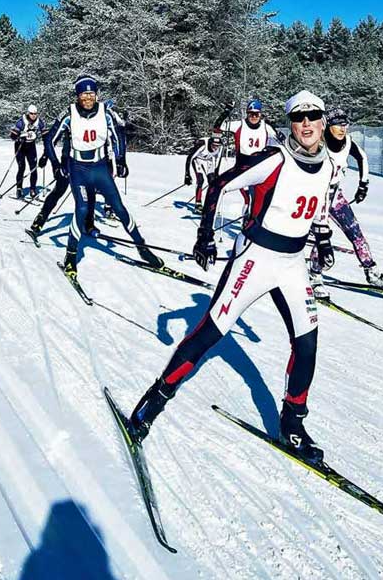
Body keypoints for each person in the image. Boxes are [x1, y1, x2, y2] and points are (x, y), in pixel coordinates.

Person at [125, 90, 335, 464]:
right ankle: (153, 402)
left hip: (292, 264)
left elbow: (318, 208)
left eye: (313, 117)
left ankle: (293, 422)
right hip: (255, 259)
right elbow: (220, 183)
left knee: (307, 344)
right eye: (299, 118)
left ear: (322, 121)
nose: (306, 125)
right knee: (209, 333)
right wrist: (204, 235)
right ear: (290, 123)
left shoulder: (329, 164)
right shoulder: (275, 158)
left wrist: (322, 240)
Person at [44, 74, 162, 277]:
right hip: (78, 168)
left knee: (119, 208)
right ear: (77, 96)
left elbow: (118, 137)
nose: (88, 98)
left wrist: (122, 159)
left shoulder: (105, 113)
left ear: (97, 94)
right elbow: (49, 140)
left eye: (91, 93)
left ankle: (142, 248)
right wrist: (55, 164)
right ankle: (71, 255)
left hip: (99, 168)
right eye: (84, 94)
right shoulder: (69, 114)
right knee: (81, 209)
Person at [309, 108, 383, 298]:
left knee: (355, 232)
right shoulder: (318, 143)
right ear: (327, 125)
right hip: (317, 196)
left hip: (335, 194)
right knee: (322, 236)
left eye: (345, 124)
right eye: (337, 124)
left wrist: (363, 185)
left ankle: (372, 272)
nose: (342, 128)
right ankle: (315, 276)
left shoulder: (347, 142)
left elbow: (362, 157)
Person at [29, 100, 127, 237]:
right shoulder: (71, 114)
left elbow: (118, 131)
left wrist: (120, 159)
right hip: (69, 160)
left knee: (90, 192)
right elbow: (52, 138)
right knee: (59, 190)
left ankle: (89, 224)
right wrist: (49, 159)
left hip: (92, 161)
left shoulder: (101, 115)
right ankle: (39, 221)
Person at [214, 99, 285, 213]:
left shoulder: (266, 127)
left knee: (261, 200)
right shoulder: (239, 124)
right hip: (242, 168)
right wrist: (226, 111)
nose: (254, 117)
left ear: (260, 114)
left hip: (260, 168)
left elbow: (281, 140)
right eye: (251, 114)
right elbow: (218, 127)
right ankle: (246, 224)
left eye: (256, 114)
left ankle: (253, 223)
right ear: (247, 113)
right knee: (248, 199)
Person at [9, 105, 47, 198]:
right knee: (21, 167)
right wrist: (20, 136)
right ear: (28, 113)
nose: (33, 115)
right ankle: (19, 188)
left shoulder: (40, 122)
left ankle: (33, 189)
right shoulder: (21, 121)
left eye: (35, 114)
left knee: (33, 168)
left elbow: (45, 134)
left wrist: (46, 143)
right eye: (31, 114)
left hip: (31, 146)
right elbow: (13, 136)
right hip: (20, 146)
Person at [184, 132, 223, 213]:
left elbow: (217, 160)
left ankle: (211, 204)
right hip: (198, 160)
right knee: (200, 180)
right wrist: (187, 175)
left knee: (212, 182)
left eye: (217, 146)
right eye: (214, 145)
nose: (215, 148)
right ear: (210, 143)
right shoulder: (202, 145)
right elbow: (190, 158)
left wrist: (216, 173)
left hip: (208, 161)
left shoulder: (219, 148)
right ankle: (198, 204)